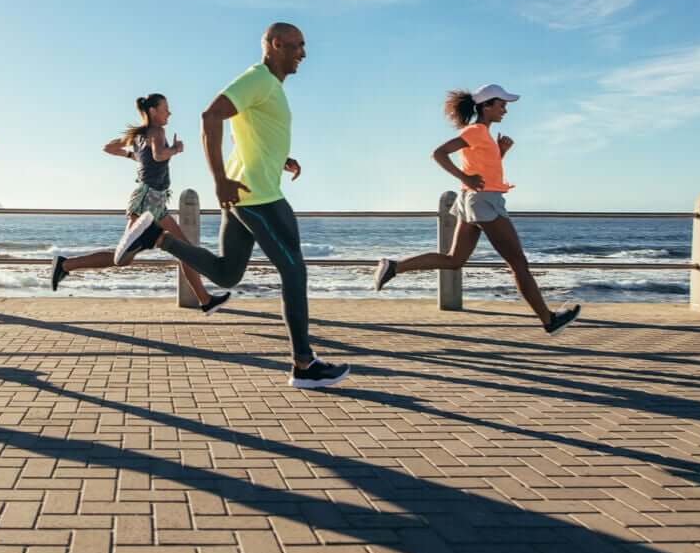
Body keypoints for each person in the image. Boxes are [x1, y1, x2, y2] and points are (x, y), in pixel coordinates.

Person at [112, 23, 351, 389]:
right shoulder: (258, 79)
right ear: (276, 44)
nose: (303, 53)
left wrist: (280, 159)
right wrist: (220, 179)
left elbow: (255, 135)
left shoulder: (269, 86)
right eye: (297, 46)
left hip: (247, 191)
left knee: (227, 274)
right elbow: (210, 117)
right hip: (257, 196)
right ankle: (304, 365)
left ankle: (156, 239)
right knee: (294, 271)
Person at [373, 84, 580, 335]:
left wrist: (500, 153)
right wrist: (465, 177)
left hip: (475, 199)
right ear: (486, 106)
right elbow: (439, 153)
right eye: (501, 105)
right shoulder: (476, 131)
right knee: (518, 263)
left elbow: (484, 170)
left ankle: (394, 266)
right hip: (484, 201)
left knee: (454, 260)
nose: (505, 110)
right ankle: (549, 320)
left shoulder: (484, 135)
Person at [50, 94, 231, 315]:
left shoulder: (139, 135)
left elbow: (109, 148)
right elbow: (159, 155)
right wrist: (175, 149)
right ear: (153, 111)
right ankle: (65, 265)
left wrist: (135, 155)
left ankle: (205, 300)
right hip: (147, 201)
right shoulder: (157, 131)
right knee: (122, 259)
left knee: (185, 251)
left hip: (157, 201)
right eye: (165, 109)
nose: (169, 113)